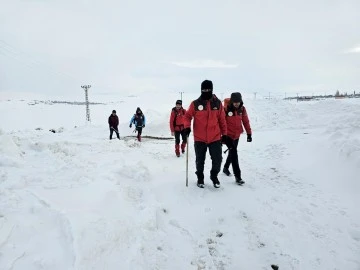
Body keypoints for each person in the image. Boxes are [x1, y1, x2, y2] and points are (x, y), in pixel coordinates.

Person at [183, 79, 230, 188]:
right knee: (200, 160)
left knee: (217, 159)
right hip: (200, 138)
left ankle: (214, 176)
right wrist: (186, 127)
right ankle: (200, 178)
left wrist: (225, 134)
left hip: (215, 137)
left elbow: (222, 120)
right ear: (201, 90)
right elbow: (187, 116)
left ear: (212, 89)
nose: (206, 91)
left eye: (208, 89)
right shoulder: (195, 103)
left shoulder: (217, 103)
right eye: (204, 89)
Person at [222, 92, 252, 185]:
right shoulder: (226, 109)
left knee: (232, 152)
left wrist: (249, 133)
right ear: (231, 101)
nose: (236, 104)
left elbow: (245, 121)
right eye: (234, 102)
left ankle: (226, 168)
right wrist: (223, 135)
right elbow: (221, 122)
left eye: (238, 102)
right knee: (234, 153)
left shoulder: (242, 109)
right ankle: (238, 176)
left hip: (237, 135)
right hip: (228, 136)